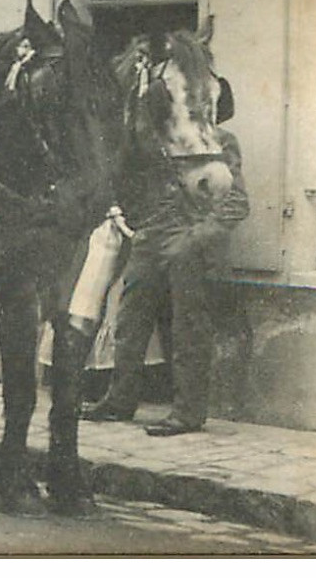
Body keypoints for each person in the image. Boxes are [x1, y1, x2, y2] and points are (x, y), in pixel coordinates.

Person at [83, 124, 249, 436]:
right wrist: (140, 223)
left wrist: (195, 237)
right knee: (130, 319)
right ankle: (120, 401)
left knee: (188, 325)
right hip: (150, 237)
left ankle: (188, 413)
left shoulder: (221, 143)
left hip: (192, 242)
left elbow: (237, 203)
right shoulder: (160, 138)